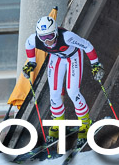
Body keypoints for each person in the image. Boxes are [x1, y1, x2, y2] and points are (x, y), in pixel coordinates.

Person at [22, 15, 104, 143]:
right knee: (54, 93)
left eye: (50, 36)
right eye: (43, 37)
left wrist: (96, 65)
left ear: (55, 32)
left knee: (72, 91)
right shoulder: (35, 39)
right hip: (56, 58)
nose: (47, 41)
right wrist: (31, 63)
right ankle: (58, 124)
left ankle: (85, 124)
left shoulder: (67, 37)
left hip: (73, 57)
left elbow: (87, 46)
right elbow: (28, 45)